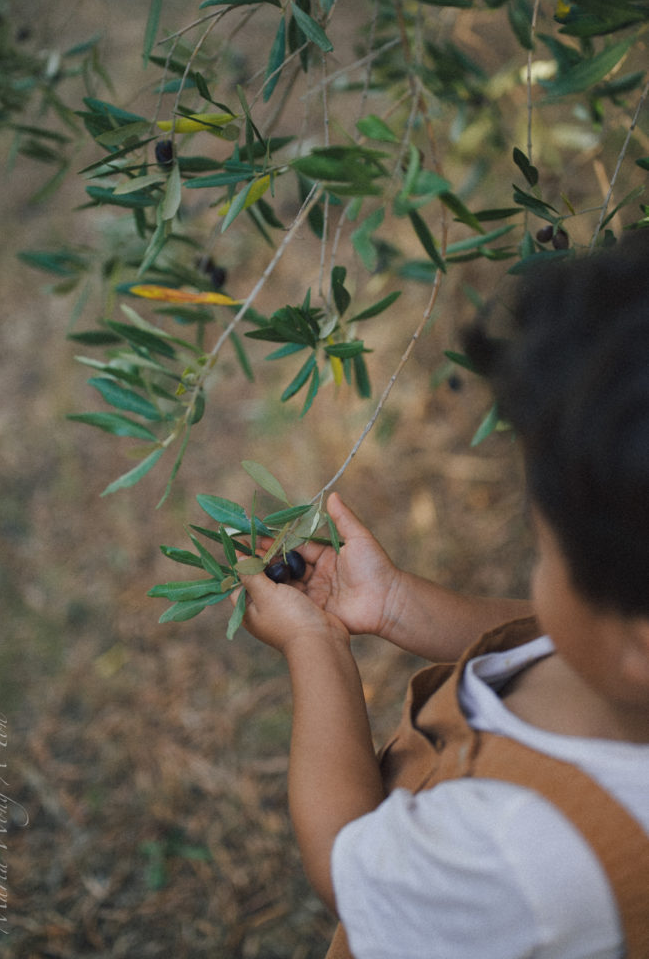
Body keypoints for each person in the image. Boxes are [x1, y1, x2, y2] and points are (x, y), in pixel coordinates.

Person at [236, 232, 649, 958]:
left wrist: (316, 648)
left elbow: (346, 867)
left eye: (544, 551)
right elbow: (551, 637)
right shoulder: (619, 659)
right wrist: (396, 605)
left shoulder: (518, 853)